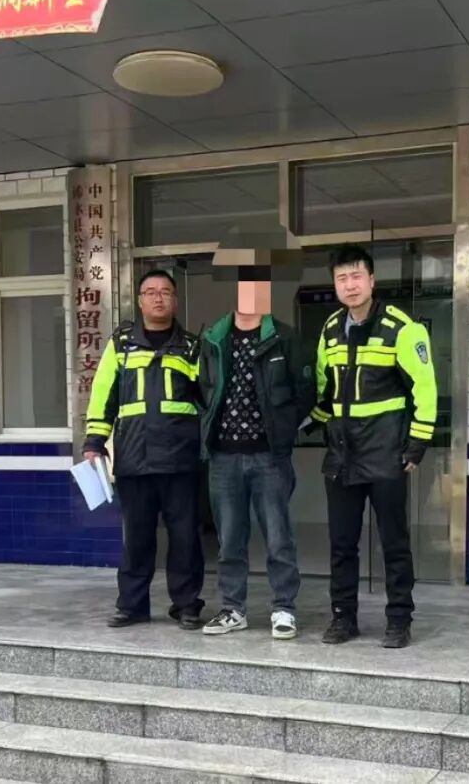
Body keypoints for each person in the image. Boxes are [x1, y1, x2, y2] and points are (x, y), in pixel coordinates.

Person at [309, 245, 438, 649]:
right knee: (341, 545)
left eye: (356, 276)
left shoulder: (402, 328)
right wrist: (308, 421)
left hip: (386, 453)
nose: (349, 285)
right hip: (342, 455)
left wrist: (416, 444)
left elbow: (425, 388)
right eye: (341, 278)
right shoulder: (331, 328)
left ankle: (399, 619)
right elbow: (323, 386)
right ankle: (343, 618)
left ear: (371, 280)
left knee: (394, 543)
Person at [197, 233, 314, 640]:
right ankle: (233, 609)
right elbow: (203, 389)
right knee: (229, 540)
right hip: (223, 457)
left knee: (279, 537)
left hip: (269, 457)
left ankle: (284, 609)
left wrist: (283, 429)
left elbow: (306, 391)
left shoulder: (285, 337)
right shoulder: (213, 339)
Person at [82, 270, 206, 630]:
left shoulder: (192, 347)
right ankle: (132, 605)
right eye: (150, 292)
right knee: (136, 538)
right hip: (135, 459)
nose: (158, 297)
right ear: (139, 301)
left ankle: (186, 605)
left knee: (185, 538)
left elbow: (207, 399)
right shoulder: (120, 344)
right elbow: (103, 393)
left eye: (165, 292)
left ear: (175, 301)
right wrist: (94, 441)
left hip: (181, 460)